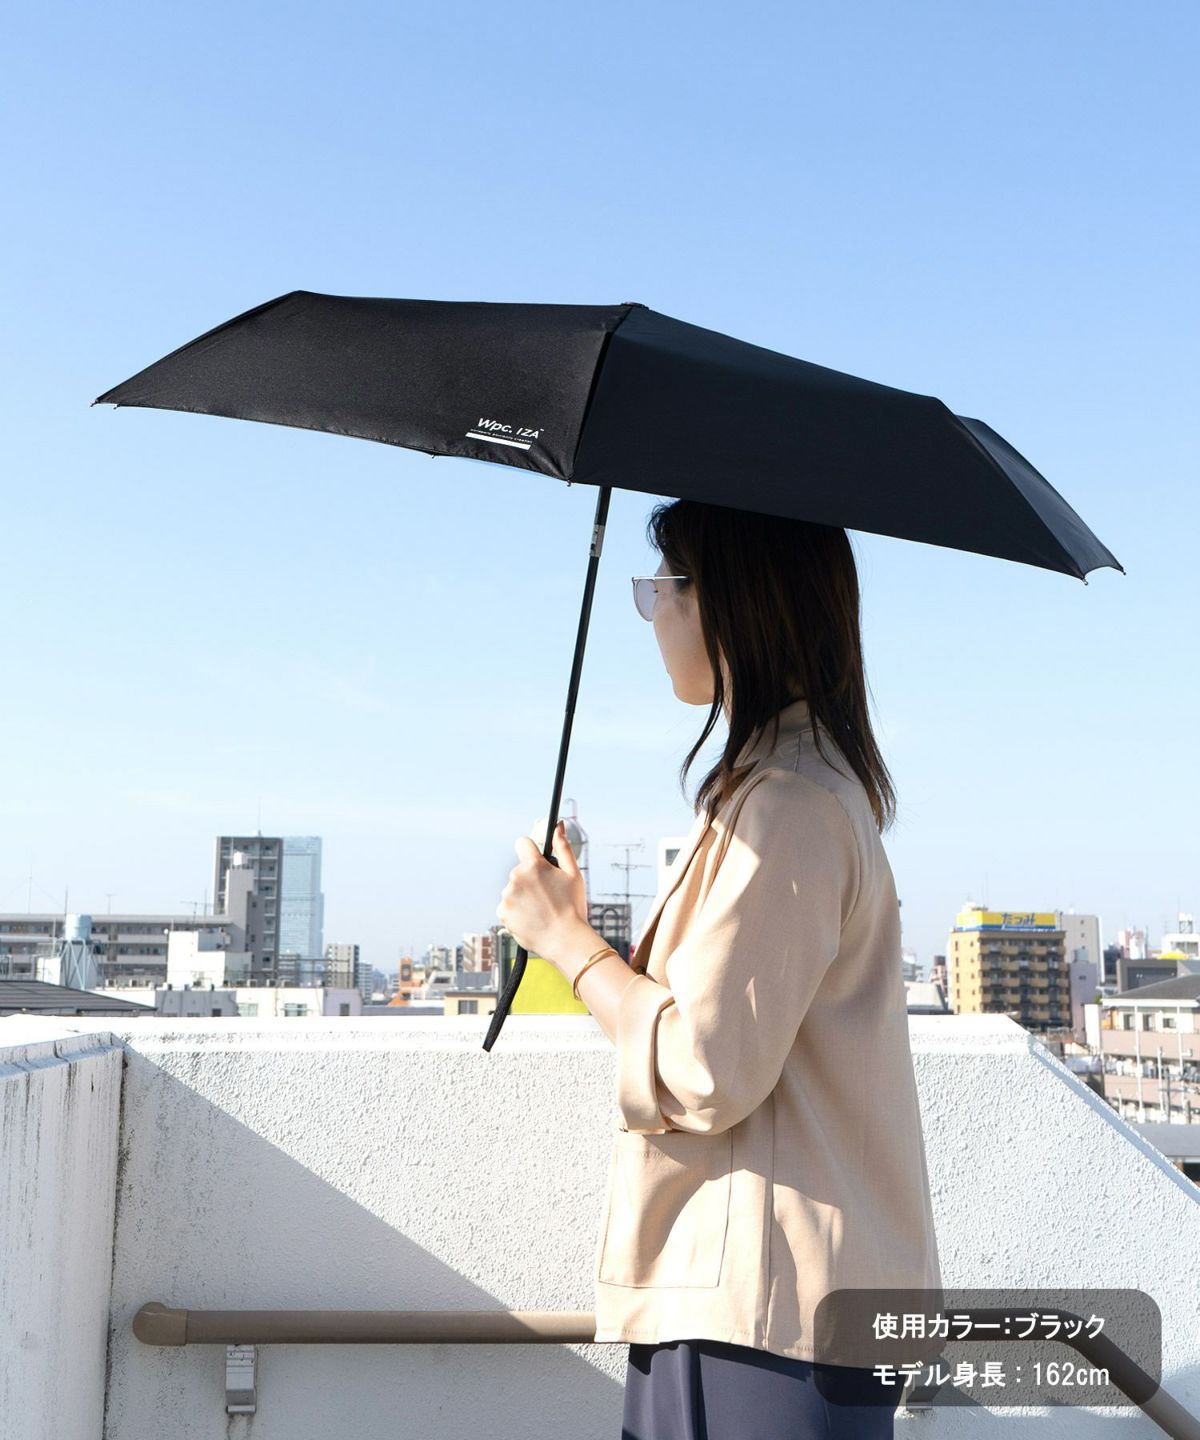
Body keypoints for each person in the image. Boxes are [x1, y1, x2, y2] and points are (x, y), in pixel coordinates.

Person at [496, 498, 943, 1438]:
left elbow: (705, 1066)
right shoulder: (790, 787)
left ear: (728, 600)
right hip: (767, 1302)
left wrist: (569, 944)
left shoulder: (789, 807)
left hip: (765, 1316)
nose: (653, 612)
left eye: (662, 586)